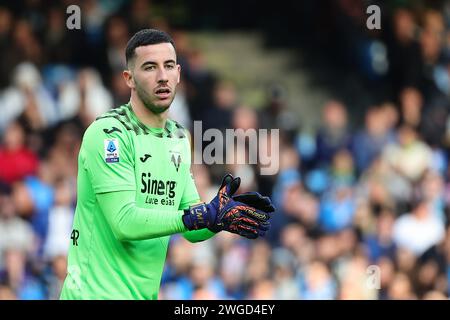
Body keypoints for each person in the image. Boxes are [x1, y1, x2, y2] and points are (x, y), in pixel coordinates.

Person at [59, 29, 274, 300]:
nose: (162, 76)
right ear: (129, 78)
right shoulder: (109, 133)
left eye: (169, 66)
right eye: (150, 67)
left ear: (179, 74)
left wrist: (219, 216)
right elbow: (124, 222)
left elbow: (192, 228)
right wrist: (196, 217)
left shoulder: (179, 138)